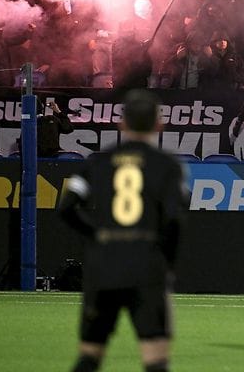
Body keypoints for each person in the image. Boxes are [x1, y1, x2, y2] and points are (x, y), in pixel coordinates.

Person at [60, 89, 189, 372]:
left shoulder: (96, 162)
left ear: (122, 123)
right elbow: (174, 220)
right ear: (159, 124)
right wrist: (167, 263)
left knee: (89, 356)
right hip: (146, 264)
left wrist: (97, 235)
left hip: (103, 265)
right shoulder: (167, 166)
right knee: (155, 360)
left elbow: (66, 208)